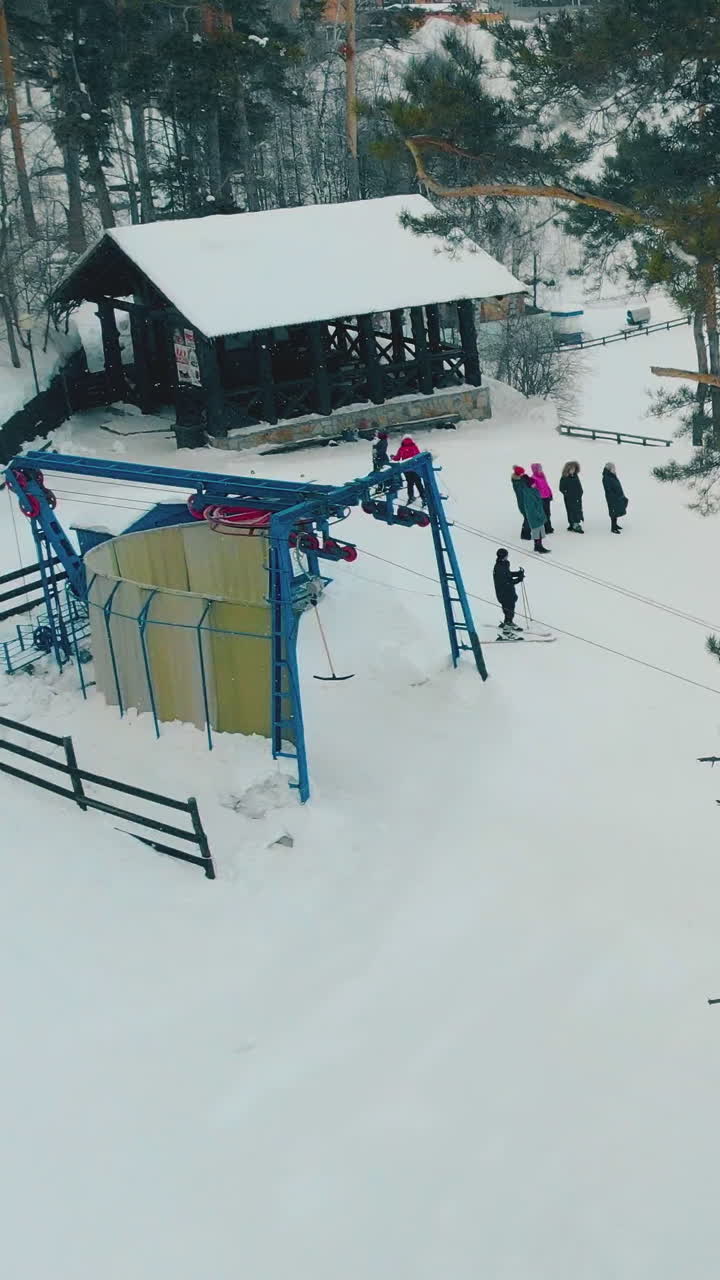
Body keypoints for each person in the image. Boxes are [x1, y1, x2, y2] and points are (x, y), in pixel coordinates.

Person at [518, 470, 551, 554]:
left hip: (538, 513)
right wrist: (538, 514)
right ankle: (538, 546)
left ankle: (539, 545)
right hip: (535, 515)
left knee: (539, 530)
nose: (534, 485)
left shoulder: (532, 490)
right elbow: (531, 507)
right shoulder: (528, 493)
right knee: (537, 531)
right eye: (533, 484)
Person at [493, 548, 525, 633]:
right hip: (504, 592)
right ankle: (506, 631)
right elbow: (507, 582)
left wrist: (518, 573)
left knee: (510, 608)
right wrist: (519, 579)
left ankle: (508, 622)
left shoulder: (504, 564)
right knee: (508, 609)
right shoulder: (499, 568)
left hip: (509, 592)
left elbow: (508, 575)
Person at [392, 434, 425, 504]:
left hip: (406, 469)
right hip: (415, 468)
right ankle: (424, 497)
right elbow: (418, 456)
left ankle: (411, 497)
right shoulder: (414, 447)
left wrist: (393, 457)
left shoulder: (402, 448)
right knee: (418, 483)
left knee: (410, 483)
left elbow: (397, 458)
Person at [602, 462, 628, 533]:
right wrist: (614, 496)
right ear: (609, 469)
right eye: (613, 468)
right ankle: (613, 528)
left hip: (617, 497)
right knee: (613, 511)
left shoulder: (612, 475)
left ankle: (615, 525)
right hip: (612, 498)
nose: (614, 469)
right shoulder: (606, 477)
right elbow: (608, 489)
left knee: (616, 511)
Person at [559, 461, 584, 533]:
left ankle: (575, 523)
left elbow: (579, 485)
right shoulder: (564, 477)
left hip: (577, 497)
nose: (573, 470)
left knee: (577, 510)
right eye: (571, 469)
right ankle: (573, 524)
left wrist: (580, 492)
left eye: (574, 469)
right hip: (569, 498)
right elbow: (561, 488)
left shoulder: (575, 476)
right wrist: (567, 494)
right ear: (568, 469)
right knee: (570, 511)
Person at [530, 462, 554, 534]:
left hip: (547, 497)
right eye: (539, 469)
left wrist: (550, 494)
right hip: (540, 498)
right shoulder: (533, 478)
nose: (540, 470)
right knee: (543, 514)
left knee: (548, 513)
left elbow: (547, 486)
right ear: (535, 470)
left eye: (541, 468)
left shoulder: (542, 476)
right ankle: (545, 528)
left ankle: (548, 527)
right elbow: (534, 490)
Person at [511, 466, 531, 539]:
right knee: (528, 518)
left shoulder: (521, 479)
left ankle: (525, 533)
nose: (523, 474)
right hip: (523, 503)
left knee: (527, 518)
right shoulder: (517, 483)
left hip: (527, 502)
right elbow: (523, 493)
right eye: (522, 473)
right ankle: (525, 534)